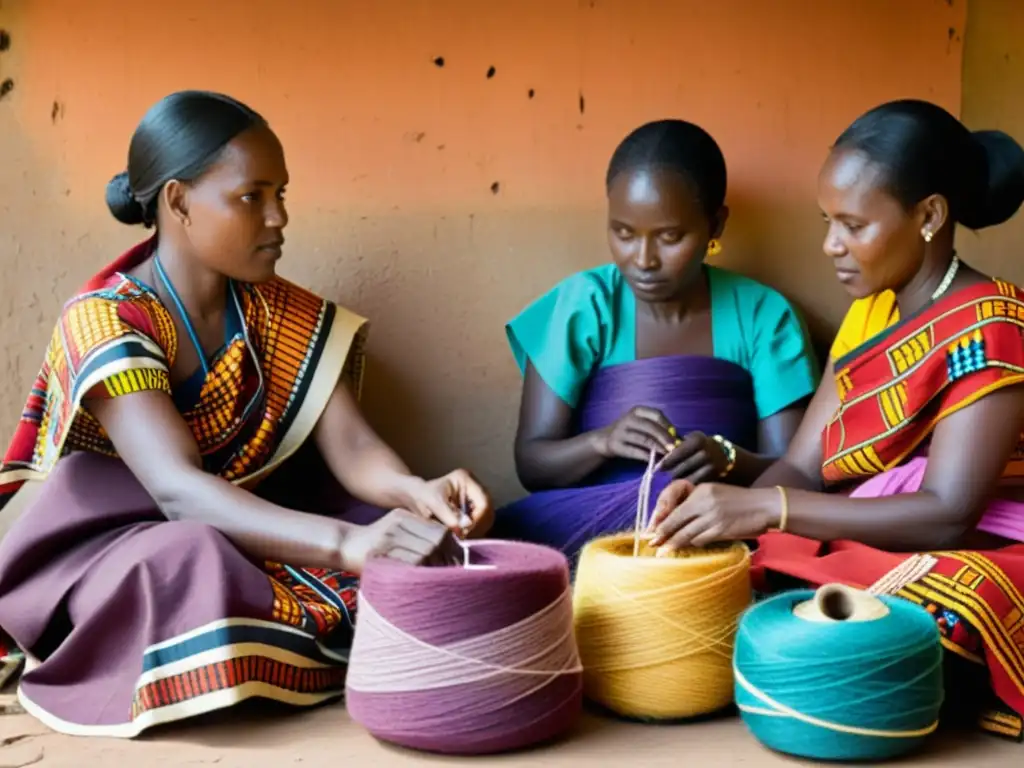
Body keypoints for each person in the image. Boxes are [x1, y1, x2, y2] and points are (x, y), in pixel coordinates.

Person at [0, 91, 493, 737]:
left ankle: (286, 625)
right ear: (177, 202)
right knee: (186, 560)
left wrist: (416, 492)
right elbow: (178, 493)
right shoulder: (105, 319)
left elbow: (353, 449)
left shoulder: (284, 312)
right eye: (251, 197)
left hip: (257, 526)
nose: (278, 217)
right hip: (132, 542)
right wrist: (349, 546)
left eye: (282, 194)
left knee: (409, 531)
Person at [649, 99, 1024, 739]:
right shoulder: (870, 318)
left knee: (946, 603)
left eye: (852, 224)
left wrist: (770, 510)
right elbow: (803, 466)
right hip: (875, 533)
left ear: (929, 216)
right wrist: (725, 505)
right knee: (740, 568)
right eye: (827, 221)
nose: (830, 245)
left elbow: (949, 511)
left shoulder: (992, 322)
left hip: (974, 546)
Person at [493, 120, 820, 561]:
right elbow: (532, 465)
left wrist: (728, 460)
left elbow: (796, 473)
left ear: (715, 225)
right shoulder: (582, 307)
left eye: (670, 237)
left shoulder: (764, 316)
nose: (643, 260)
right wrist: (602, 442)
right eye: (623, 233)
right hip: (592, 541)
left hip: (715, 530)